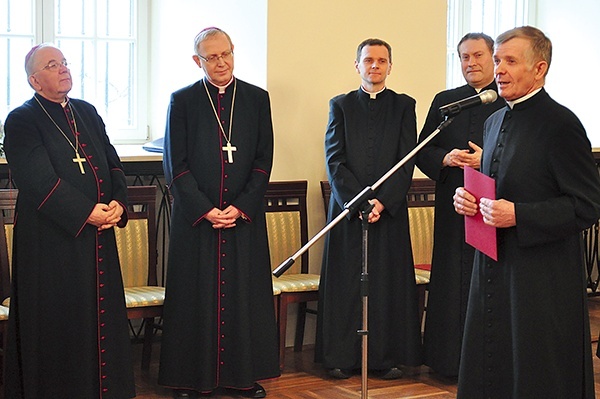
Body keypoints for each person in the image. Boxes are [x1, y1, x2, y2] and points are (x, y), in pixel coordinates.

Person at [453, 26, 600, 398]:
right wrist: (468, 200)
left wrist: (519, 215)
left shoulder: (562, 124)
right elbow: (495, 185)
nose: (499, 69)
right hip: (493, 266)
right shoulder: (493, 121)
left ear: (539, 69)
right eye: (498, 60)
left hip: (541, 279)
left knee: (535, 371)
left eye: (510, 61)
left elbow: (586, 206)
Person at [2, 43, 135, 398]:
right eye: (51, 64)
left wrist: (117, 203)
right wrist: (86, 212)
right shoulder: (21, 120)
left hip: (98, 237)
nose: (63, 68)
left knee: (99, 319)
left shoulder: (87, 112)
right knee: (59, 323)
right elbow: (37, 179)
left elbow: (114, 163)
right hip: (51, 243)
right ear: (34, 80)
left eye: (64, 62)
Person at [158, 27, 279, 398]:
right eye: (212, 57)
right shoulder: (183, 100)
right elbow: (174, 165)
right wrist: (206, 209)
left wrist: (241, 206)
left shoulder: (257, 99)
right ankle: (191, 380)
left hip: (242, 220)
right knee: (195, 298)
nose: (221, 61)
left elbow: (263, 160)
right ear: (198, 61)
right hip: (197, 222)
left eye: (226, 53)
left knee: (244, 297)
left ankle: (243, 376)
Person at [315, 38, 422, 379]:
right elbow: (335, 159)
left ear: (390, 65)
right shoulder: (341, 105)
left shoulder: (405, 106)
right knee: (346, 283)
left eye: (381, 60)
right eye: (368, 60)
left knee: (387, 282)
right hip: (348, 209)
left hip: (388, 211)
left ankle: (385, 357)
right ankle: (340, 357)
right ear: (357, 65)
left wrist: (383, 201)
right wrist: (359, 202)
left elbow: (407, 161)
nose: (375, 66)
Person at [416, 32, 504, 378]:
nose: (471, 63)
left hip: (494, 208)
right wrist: (446, 157)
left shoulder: (507, 99)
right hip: (453, 207)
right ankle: (446, 361)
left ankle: (488, 364)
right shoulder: (446, 101)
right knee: (451, 280)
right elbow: (423, 149)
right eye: (465, 57)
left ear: (492, 57)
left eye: (478, 56)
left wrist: (490, 160)